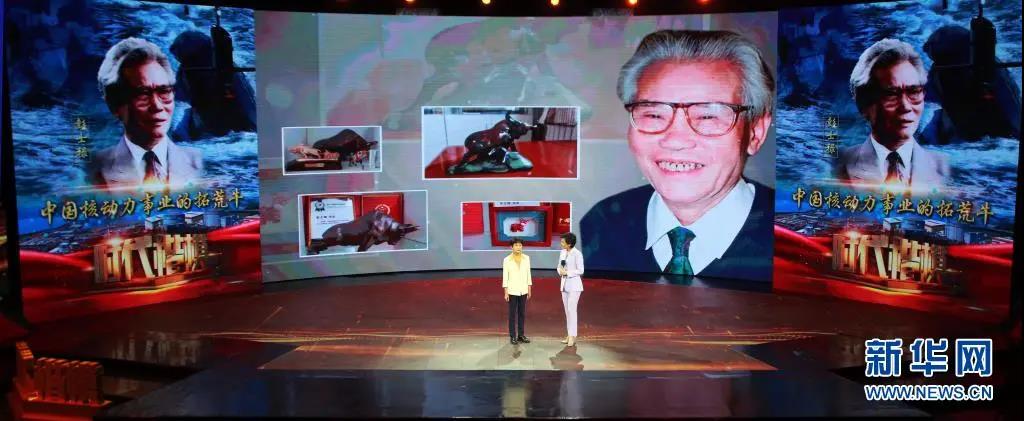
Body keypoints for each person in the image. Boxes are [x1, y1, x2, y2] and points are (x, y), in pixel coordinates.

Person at [580, 30, 775, 282]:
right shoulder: (604, 222)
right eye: (654, 115)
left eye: (707, 116)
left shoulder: (795, 242)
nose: (675, 140)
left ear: (755, 132)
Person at [835, 38, 950, 192]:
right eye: (891, 94)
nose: (906, 106)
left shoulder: (945, 169)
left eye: (913, 92)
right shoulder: (837, 166)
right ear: (864, 105)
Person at [91, 38, 203, 192]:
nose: (157, 106)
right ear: (115, 105)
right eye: (143, 94)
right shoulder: (92, 170)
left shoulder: (200, 163)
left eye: (164, 91)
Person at [502, 238, 532, 345]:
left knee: (522, 313)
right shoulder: (507, 260)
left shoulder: (526, 258)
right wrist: (506, 291)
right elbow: (505, 276)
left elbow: (528, 274)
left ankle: (521, 335)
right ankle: (512, 336)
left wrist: (529, 288)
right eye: (516, 245)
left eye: (520, 245)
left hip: (523, 290)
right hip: (512, 290)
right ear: (512, 247)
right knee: (512, 314)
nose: (518, 247)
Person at [557, 232, 584, 347]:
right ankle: (569, 334)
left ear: (569, 243)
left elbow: (581, 270)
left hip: (574, 286)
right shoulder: (562, 252)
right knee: (567, 311)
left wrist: (567, 273)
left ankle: (573, 336)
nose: (561, 243)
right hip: (564, 285)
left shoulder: (577, 254)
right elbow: (559, 266)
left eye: (563, 242)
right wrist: (560, 271)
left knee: (572, 310)